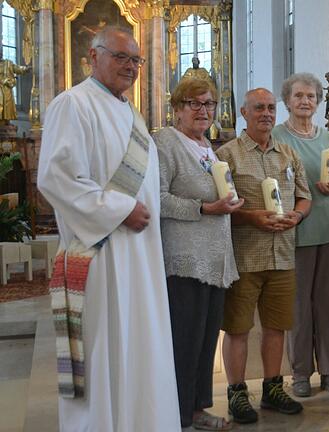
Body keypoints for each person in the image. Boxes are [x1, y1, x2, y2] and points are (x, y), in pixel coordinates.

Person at [37, 26, 180, 431]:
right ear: (93, 56)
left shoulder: (130, 114)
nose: (131, 67)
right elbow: (57, 177)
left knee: (140, 348)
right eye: (121, 57)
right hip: (102, 256)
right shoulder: (73, 105)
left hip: (141, 256)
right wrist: (119, 210)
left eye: (136, 60)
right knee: (105, 352)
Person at [216, 88, 311, 423]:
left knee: (276, 326)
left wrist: (297, 216)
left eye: (271, 108)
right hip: (246, 256)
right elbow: (222, 207)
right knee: (238, 328)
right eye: (259, 108)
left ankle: (273, 389)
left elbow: (304, 197)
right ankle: (237, 393)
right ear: (244, 112)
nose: (266, 114)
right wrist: (252, 217)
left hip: (282, 255)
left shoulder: (287, 153)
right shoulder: (227, 155)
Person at [155, 79, 243, 431]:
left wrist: (230, 202)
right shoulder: (165, 143)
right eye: (195, 104)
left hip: (215, 258)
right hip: (185, 259)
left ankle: (197, 409)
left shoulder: (207, 145)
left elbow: (218, 190)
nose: (204, 111)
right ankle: (176, 415)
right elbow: (158, 198)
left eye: (209, 104)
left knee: (206, 341)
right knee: (185, 342)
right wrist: (205, 208)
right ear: (177, 108)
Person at [272, 73, 329, 398]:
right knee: (298, 306)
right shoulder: (277, 137)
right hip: (295, 232)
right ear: (287, 100)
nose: (305, 101)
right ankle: (301, 372)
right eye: (299, 96)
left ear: (319, 102)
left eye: (311, 96)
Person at [0, 52, 29, 121]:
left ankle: (6, 121)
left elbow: (16, 68)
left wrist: (25, 69)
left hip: (7, 87)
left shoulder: (8, 63)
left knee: (7, 106)